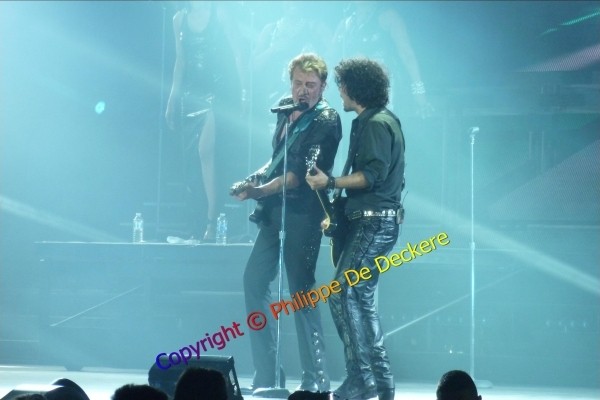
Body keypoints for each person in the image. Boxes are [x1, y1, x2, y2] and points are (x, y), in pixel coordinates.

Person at [232, 52, 342, 394]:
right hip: (274, 211)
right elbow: (277, 159)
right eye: (297, 83)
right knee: (253, 280)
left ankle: (316, 379)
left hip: (304, 214)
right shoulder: (284, 109)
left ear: (323, 87)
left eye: (310, 84)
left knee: (301, 292)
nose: (302, 90)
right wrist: (254, 179)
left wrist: (259, 190)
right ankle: (267, 374)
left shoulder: (327, 120)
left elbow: (298, 174)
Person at [306, 58, 405, 400]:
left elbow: (373, 175)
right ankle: (381, 381)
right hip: (370, 220)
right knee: (361, 300)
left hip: (374, 223)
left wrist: (331, 181)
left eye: (341, 86)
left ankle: (361, 378)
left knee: (342, 293)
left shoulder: (376, 124)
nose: (339, 92)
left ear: (352, 88)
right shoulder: (373, 121)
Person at [165, 1, 244, 241]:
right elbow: (180, 62)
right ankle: (199, 221)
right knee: (193, 160)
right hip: (191, 94)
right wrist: (172, 99)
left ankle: (212, 220)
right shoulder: (179, 19)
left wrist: (244, 92)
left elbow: (238, 54)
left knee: (205, 152)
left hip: (218, 92)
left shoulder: (220, 15)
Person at [331, 2, 433, 119]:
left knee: (380, 121)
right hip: (354, 90)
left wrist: (418, 90)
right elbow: (332, 57)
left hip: (383, 87)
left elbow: (406, 54)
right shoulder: (346, 22)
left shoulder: (388, 17)